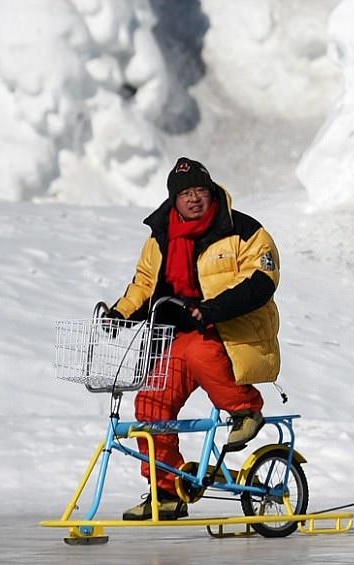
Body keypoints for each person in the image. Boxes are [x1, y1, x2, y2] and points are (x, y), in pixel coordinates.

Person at [105, 157, 282, 521]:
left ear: (211, 191)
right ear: (174, 199)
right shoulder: (161, 237)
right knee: (151, 407)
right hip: (175, 337)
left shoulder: (243, 230)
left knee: (200, 351)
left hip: (229, 333)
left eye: (200, 191)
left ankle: (246, 409)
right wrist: (121, 314)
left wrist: (213, 309)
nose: (195, 199)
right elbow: (144, 285)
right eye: (186, 193)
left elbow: (263, 281)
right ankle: (167, 491)